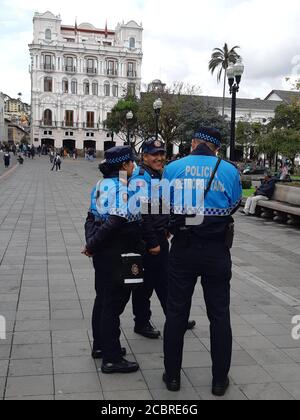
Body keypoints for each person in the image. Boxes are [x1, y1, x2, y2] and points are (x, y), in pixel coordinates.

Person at [162, 127, 242, 396]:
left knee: (176, 313)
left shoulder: (174, 167)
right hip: (216, 250)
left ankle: (172, 377)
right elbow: (234, 204)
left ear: (194, 143)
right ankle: (219, 380)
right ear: (216, 148)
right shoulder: (229, 170)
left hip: (183, 249)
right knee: (219, 314)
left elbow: (165, 205)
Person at [83, 146, 144, 374]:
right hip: (117, 253)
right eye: (131, 163)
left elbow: (91, 218)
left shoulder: (101, 185)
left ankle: (101, 346)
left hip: (103, 254)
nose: (134, 166)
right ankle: (111, 357)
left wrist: (91, 243)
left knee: (102, 299)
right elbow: (114, 222)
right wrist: (92, 245)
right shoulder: (123, 189)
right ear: (124, 166)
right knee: (113, 305)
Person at [130, 138, 196, 339]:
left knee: (165, 281)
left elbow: (160, 204)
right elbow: (142, 213)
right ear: (144, 156)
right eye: (154, 154)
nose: (159, 158)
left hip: (159, 235)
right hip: (148, 240)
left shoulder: (156, 174)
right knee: (145, 284)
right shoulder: (141, 177)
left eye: (161, 154)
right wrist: (152, 242)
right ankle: (141, 322)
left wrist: (166, 227)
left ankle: (176, 319)